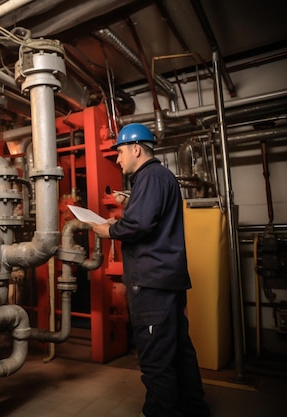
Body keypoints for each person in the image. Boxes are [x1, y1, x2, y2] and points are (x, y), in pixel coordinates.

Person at [89, 123, 211, 417]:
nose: (117, 159)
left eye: (119, 152)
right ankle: (195, 410)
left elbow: (141, 225)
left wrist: (108, 230)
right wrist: (131, 201)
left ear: (135, 148)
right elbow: (151, 216)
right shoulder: (159, 177)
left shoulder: (150, 177)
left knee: (156, 359)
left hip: (152, 282)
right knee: (179, 353)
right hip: (167, 280)